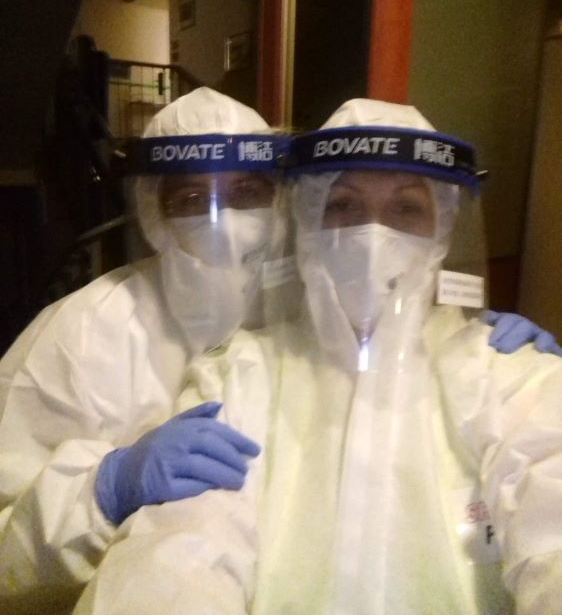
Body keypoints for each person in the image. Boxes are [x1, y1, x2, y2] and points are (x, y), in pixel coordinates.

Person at [70, 99, 560, 615]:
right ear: (306, 221)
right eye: (342, 205)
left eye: (406, 209)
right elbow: (179, 553)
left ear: (442, 229)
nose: (372, 236)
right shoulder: (239, 373)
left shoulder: (509, 373)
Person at [0, 87, 292, 614]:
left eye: (247, 191)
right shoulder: (80, 335)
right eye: (192, 199)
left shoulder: (309, 310)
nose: (223, 220)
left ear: (281, 198)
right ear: (153, 209)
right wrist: (104, 492)